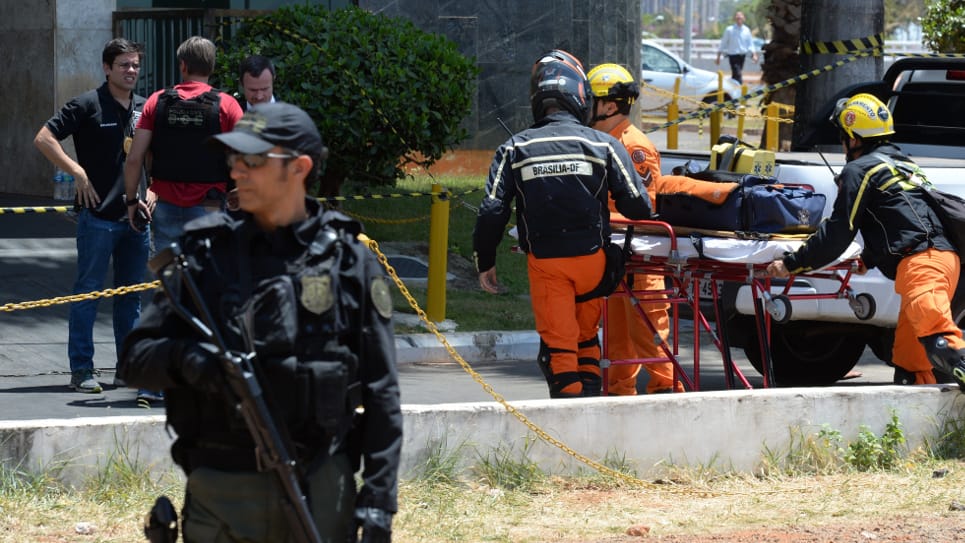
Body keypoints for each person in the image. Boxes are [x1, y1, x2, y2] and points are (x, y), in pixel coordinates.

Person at [119, 102, 403, 541]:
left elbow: (382, 390)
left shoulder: (348, 262)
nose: (237, 173)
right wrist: (193, 362)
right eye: (234, 160)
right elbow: (135, 360)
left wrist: (379, 504)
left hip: (321, 487)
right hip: (223, 494)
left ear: (299, 167)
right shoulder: (206, 255)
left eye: (252, 161)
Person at [473, 50, 652, 398]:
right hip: (594, 264)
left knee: (559, 353)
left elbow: (492, 210)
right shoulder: (605, 144)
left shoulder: (514, 148)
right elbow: (638, 205)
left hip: (548, 265)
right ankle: (589, 416)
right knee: (586, 338)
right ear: (579, 95)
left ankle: (565, 431)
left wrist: (485, 261)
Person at [764, 93, 965, 388]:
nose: (843, 143)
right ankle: (922, 430)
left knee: (942, 343)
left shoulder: (860, 169)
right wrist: (869, 259)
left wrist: (792, 264)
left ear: (854, 137)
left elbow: (837, 232)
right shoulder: (902, 165)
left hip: (922, 264)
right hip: (943, 260)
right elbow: (904, 217)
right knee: (911, 365)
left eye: (843, 136)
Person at [122, 36, 244, 403]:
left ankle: (153, 384)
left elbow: (134, 159)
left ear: (182, 66)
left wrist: (132, 201)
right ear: (211, 68)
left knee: (169, 294)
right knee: (211, 294)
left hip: (167, 207)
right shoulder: (227, 105)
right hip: (211, 210)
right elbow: (244, 158)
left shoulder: (158, 101)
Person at [33, 38, 151, 394]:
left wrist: (154, 193)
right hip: (97, 218)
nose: (130, 71)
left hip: (136, 221)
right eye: (123, 65)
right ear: (106, 68)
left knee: (131, 298)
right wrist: (77, 172)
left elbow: (153, 159)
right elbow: (43, 137)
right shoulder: (86, 104)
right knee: (88, 294)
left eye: (134, 65)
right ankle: (82, 370)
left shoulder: (145, 109)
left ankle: (127, 370)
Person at [586, 63, 685, 395]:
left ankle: (667, 395)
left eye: (592, 99)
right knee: (615, 339)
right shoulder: (602, 141)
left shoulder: (633, 146)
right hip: (614, 254)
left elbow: (645, 209)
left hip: (638, 259)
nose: (585, 106)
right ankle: (617, 395)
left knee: (649, 338)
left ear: (610, 105)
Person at [715, 11, 758, 84]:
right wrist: (718, 56)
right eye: (737, 18)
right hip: (733, 55)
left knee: (735, 75)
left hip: (742, 55)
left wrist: (754, 54)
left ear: (744, 19)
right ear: (735, 19)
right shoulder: (729, 30)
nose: (739, 19)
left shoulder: (746, 30)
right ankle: (740, 89)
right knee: (738, 74)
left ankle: (733, 90)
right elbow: (723, 43)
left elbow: (750, 43)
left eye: (740, 18)